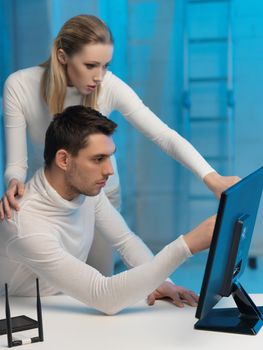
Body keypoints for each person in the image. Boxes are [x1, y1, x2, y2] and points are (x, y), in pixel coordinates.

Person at [0, 14, 238, 275]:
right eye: (91, 65)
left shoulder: (108, 86)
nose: (99, 76)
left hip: (100, 195)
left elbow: (163, 134)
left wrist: (210, 177)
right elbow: (15, 163)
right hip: (53, 197)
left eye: (105, 66)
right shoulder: (20, 86)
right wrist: (14, 182)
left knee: (101, 277)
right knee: (60, 283)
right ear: (62, 56)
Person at [0, 105, 215, 315]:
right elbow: (103, 296)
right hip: (24, 321)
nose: (109, 170)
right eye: (98, 159)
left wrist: (162, 282)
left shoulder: (86, 191)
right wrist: (187, 245)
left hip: (64, 309)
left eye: (110, 156)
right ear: (64, 159)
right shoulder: (23, 223)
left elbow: (125, 241)